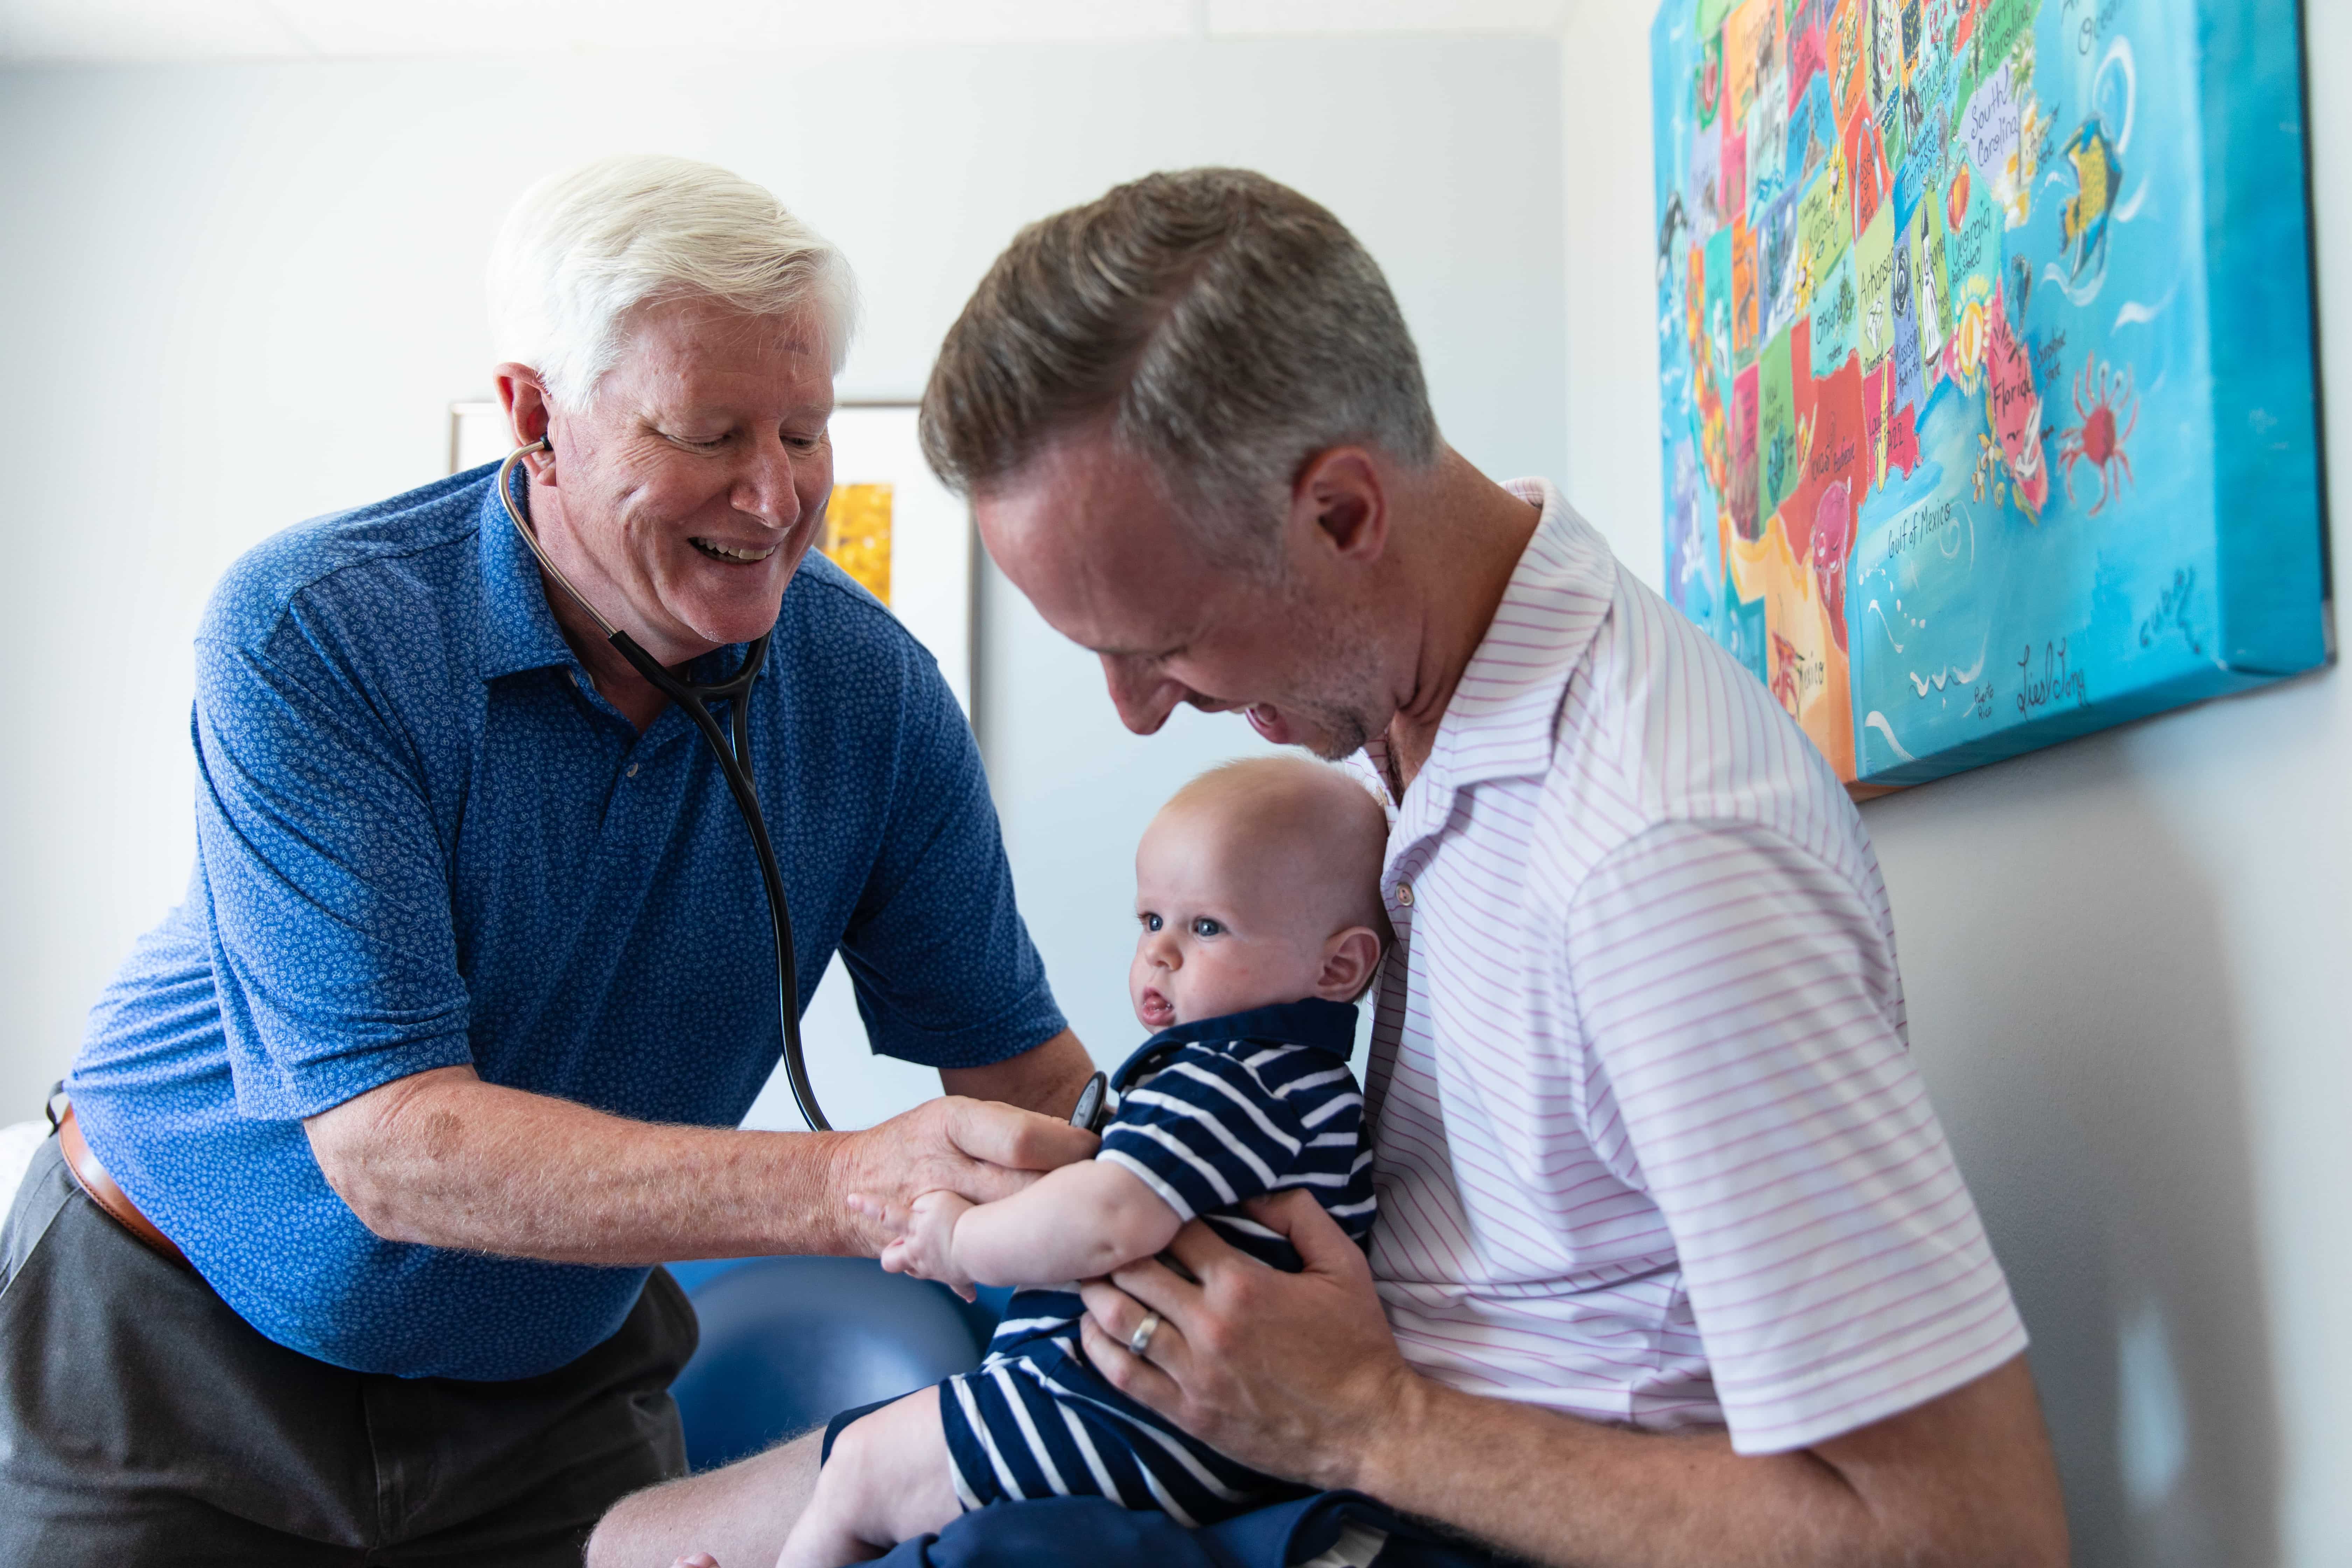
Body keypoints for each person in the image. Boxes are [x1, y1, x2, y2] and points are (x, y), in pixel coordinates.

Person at [594, 167, 2068, 1568]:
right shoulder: (1406, 716)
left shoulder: (1659, 859)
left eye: (1161, 645)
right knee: (628, 1544)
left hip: (1409, 1499)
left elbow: (1965, 1533)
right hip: (1268, 1435)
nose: (1138, 711)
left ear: (1345, 515)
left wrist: (1376, 1420)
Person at [0, 155, 1098, 1565]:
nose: (776, 500)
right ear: (535, 418)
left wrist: (1210, 1172)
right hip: (168, 1348)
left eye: (808, 434)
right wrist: (847, 1184)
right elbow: (394, 1148)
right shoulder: (318, 631)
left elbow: (1027, 1075)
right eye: (711, 434)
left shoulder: (871, 695)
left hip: (548, 1381)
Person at [777, 757, 1387, 1567]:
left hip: (1131, 1417)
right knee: (893, 1493)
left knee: (860, 1467)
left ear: (1338, 967)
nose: (1161, 953)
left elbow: (1106, 1217)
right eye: (1150, 920)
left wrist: (961, 1236)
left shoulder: (1234, 1077)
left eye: (1207, 927)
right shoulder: (1293, 1086)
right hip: (1163, 1422)